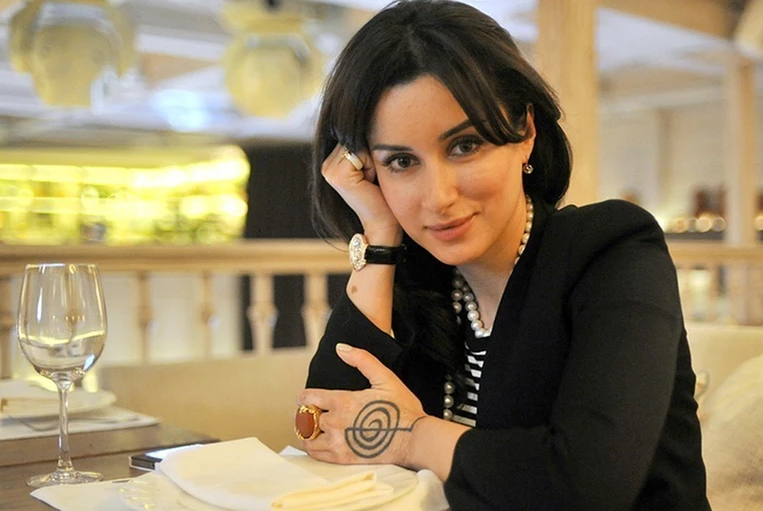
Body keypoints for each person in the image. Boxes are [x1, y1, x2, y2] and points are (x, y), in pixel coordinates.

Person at [296, 1, 710, 509]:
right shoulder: (417, 280)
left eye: (465, 146)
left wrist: (411, 436)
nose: (438, 197)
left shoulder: (613, 252)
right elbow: (321, 427)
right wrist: (379, 237)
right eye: (401, 161)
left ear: (526, 133)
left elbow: (585, 485)